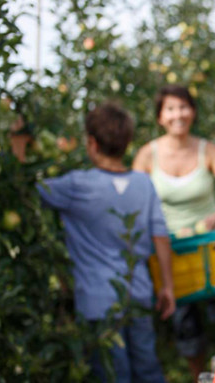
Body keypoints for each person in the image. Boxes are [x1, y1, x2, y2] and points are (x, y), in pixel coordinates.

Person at [10, 103, 176, 382]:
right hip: (139, 295)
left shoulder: (76, 185)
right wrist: (168, 286)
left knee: (114, 375)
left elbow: (23, 189)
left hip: (97, 303)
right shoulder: (143, 183)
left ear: (91, 143)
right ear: (127, 143)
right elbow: (160, 236)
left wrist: (18, 145)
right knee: (148, 370)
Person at [132, 85, 215, 382]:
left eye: (183, 107)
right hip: (170, 250)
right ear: (160, 116)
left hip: (208, 245)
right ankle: (199, 376)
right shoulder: (147, 156)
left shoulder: (206, 149)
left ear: (193, 112)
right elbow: (134, 203)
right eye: (170, 109)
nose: (178, 114)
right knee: (186, 324)